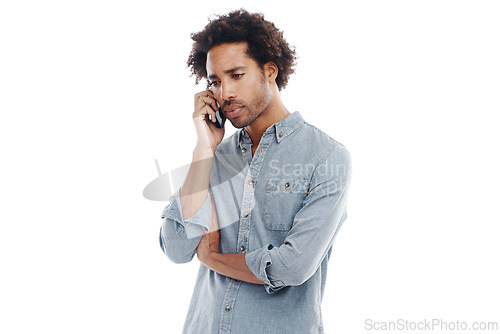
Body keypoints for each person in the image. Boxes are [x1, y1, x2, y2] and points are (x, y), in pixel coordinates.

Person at [159, 9, 352, 333]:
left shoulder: (326, 157)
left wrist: (212, 258)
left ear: (270, 71)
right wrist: (204, 149)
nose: (224, 94)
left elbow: (292, 267)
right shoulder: (214, 157)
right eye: (215, 81)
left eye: (236, 75)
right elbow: (178, 249)